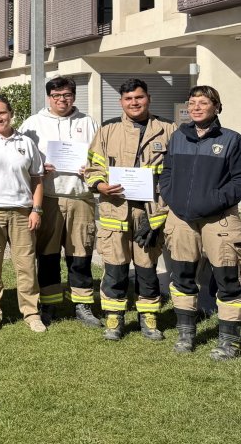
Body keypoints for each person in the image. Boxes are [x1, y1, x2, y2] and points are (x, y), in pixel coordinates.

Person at [86, 77, 177, 341]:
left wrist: (160, 214)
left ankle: (148, 317)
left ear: (148, 98)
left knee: (147, 268)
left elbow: (175, 174)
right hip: (115, 210)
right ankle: (114, 317)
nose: (134, 103)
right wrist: (100, 185)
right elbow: (93, 166)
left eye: (139, 97)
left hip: (151, 212)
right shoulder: (107, 130)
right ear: (121, 102)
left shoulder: (168, 129)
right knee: (115, 267)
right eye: (128, 99)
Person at [159, 85, 241, 360]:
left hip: (220, 219)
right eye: (192, 102)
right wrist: (172, 197)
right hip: (181, 219)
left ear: (216, 107)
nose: (195, 107)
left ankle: (229, 341)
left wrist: (213, 201)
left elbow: (238, 181)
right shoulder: (178, 137)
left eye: (203, 102)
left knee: (228, 279)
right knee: (182, 276)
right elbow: (167, 171)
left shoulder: (231, 139)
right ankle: (186, 336)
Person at [19, 76, 101, 328]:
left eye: (66, 95)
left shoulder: (88, 122)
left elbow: (101, 157)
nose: (62, 100)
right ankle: (49, 303)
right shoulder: (33, 124)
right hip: (49, 197)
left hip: (80, 197)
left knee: (81, 254)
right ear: (49, 97)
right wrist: (38, 168)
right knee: (48, 254)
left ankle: (82, 304)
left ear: (73, 96)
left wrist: (91, 168)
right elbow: (21, 157)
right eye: (56, 95)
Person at [0, 95, 46, 332]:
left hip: (22, 212)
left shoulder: (26, 142)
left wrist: (36, 210)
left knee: (26, 264)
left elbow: (37, 179)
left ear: (11, 113)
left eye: (2, 113)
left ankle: (31, 312)